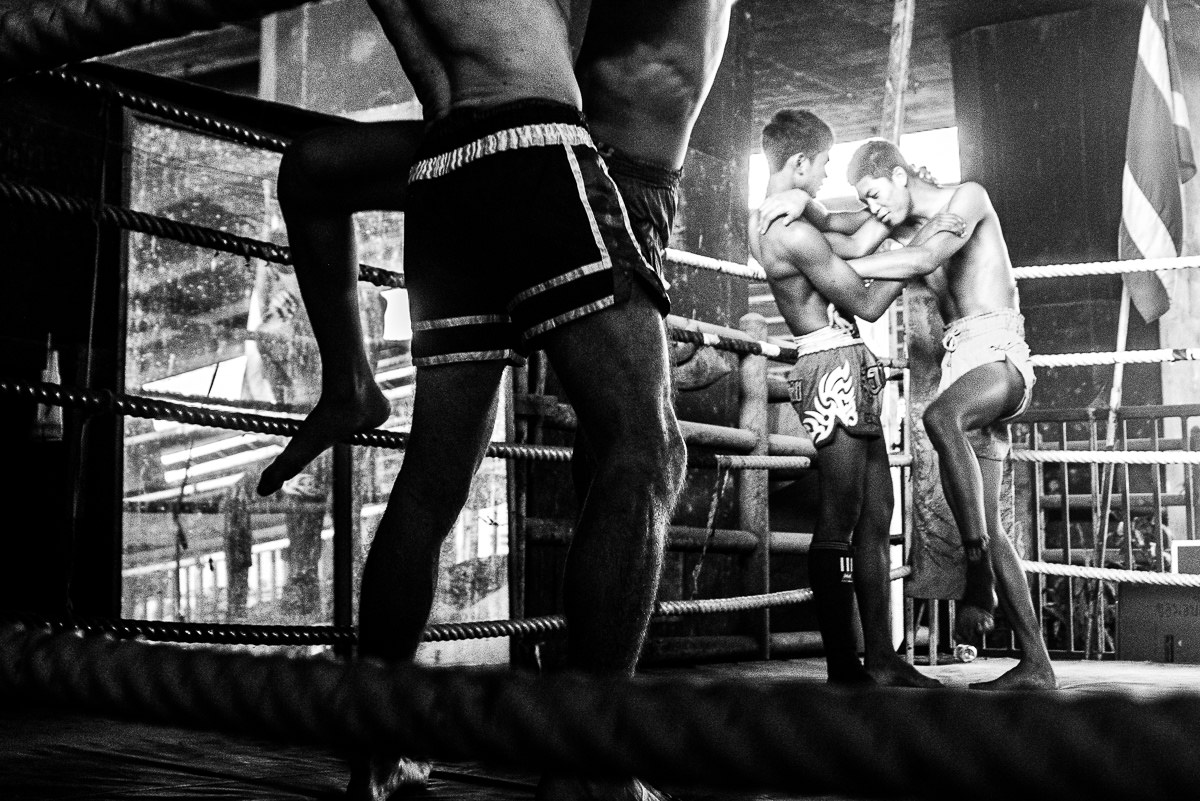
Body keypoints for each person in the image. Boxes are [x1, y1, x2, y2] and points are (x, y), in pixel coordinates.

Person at [255, 1, 737, 798]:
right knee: (647, 451)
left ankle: (376, 755)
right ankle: (589, 768)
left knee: (434, 480)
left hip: (450, 166)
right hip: (539, 147)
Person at [749, 109, 960, 687]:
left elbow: (852, 234)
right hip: (828, 371)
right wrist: (920, 251)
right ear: (799, 162)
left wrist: (895, 205)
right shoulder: (788, 231)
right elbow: (865, 304)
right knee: (839, 517)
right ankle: (843, 666)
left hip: (847, 366)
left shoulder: (794, 214)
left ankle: (882, 659)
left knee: (876, 512)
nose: (824, 178)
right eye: (821, 167)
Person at [844, 137, 1057, 691]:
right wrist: (805, 213)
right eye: (864, 202)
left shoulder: (968, 198)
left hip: (999, 355)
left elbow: (922, 260)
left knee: (939, 419)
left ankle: (976, 568)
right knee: (991, 523)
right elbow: (854, 262)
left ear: (898, 174)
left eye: (874, 194)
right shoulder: (903, 229)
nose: (872, 208)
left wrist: (841, 260)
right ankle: (1037, 665)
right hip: (959, 363)